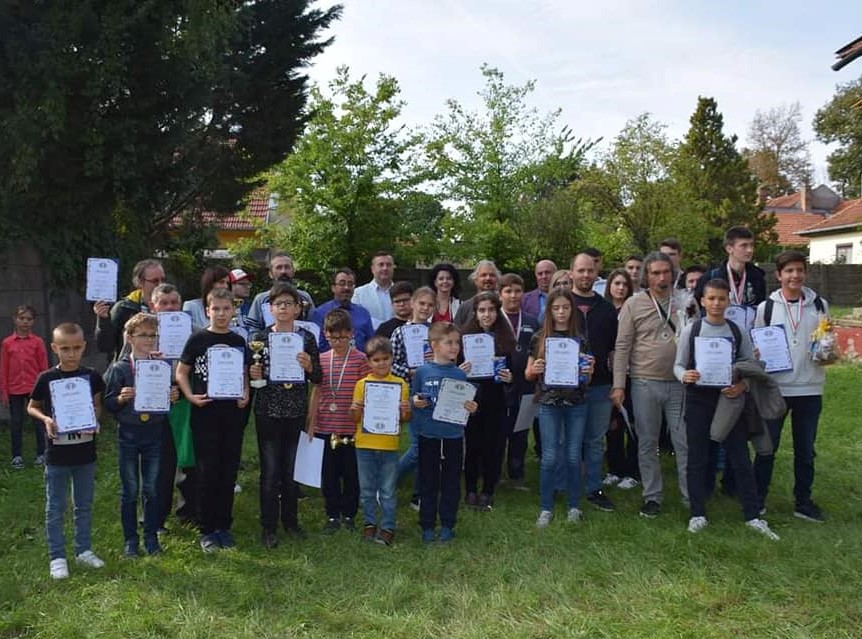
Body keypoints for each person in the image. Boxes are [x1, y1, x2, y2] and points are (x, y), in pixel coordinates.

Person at [675, 279, 779, 540]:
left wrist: (742, 386)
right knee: (697, 457)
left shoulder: (736, 330)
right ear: (702, 301)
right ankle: (697, 513)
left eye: (721, 299)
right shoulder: (692, 330)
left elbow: (751, 366)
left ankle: (753, 515)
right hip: (699, 398)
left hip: (729, 399)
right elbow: (678, 365)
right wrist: (684, 375)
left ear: (728, 301)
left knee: (740, 457)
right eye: (711, 298)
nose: (716, 303)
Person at [753, 250, 831, 523]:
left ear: (805, 273)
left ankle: (803, 502)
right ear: (779, 275)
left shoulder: (820, 305)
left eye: (799, 270)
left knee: (805, 450)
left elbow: (825, 340)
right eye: (788, 271)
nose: (794, 275)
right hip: (776, 388)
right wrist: (758, 352)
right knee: (767, 447)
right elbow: (757, 344)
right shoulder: (766, 308)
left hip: (810, 388)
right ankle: (757, 499)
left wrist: (827, 349)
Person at [611, 252, 688, 518]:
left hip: (679, 383)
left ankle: (691, 496)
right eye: (655, 273)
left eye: (666, 272)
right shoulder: (634, 304)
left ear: (673, 274)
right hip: (644, 382)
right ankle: (652, 496)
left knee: (683, 441)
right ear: (647, 276)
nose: (661, 277)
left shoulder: (685, 301)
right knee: (647, 442)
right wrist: (619, 385)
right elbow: (622, 346)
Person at [175, 288, 251, 552]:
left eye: (226, 308)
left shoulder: (238, 340)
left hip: (232, 413)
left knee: (228, 470)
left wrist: (245, 392)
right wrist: (190, 396)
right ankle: (206, 529)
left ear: (233, 310)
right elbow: (181, 372)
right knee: (207, 471)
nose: (221, 313)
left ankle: (223, 526)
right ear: (207, 310)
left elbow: (244, 372)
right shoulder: (198, 339)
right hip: (205, 413)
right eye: (215, 309)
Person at [28, 323, 106, 580]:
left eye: (76, 348)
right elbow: (32, 406)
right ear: (54, 348)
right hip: (57, 455)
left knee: (83, 505)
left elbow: (97, 405)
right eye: (65, 349)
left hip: (85, 453)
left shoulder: (92, 376)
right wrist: (46, 420)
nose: (71, 354)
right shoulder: (46, 378)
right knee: (55, 507)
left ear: (84, 346)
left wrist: (94, 419)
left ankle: (83, 550)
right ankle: (57, 557)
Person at [249, 282, 322, 548]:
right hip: (268, 411)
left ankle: (291, 522)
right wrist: (253, 374)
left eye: (288, 304)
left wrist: (309, 365)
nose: (283, 308)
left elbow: (318, 378)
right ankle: (268, 527)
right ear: (270, 309)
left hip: (295, 412)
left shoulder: (307, 338)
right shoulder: (259, 338)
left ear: (297, 309)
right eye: (278, 304)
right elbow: (251, 377)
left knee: (291, 470)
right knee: (270, 472)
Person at [103, 313, 179, 557]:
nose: (148, 339)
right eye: (143, 335)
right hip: (128, 434)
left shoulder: (162, 367)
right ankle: (130, 541)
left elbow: (167, 398)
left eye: (152, 335)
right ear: (130, 338)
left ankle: (151, 537)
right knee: (130, 490)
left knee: (152, 488)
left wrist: (173, 397)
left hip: (154, 433)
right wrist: (120, 398)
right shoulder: (120, 368)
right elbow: (108, 403)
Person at [525, 289, 594, 527]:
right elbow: (528, 373)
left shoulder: (581, 339)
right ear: (549, 311)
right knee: (549, 457)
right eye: (556, 308)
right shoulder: (539, 338)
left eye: (566, 307)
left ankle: (574, 506)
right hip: (549, 403)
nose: (561, 312)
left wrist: (588, 371)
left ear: (572, 310)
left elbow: (587, 377)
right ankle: (546, 508)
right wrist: (535, 369)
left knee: (574, 457)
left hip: (576, 404)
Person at [411, 321, 478, 543]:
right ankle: (427, 525)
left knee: (451, 482)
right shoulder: (422, 372)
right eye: (449, 342)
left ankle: (448, 524)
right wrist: (415, 401)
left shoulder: (460, 374)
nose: (455, 347)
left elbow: (466, 404)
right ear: (434, 345)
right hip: (428, 434)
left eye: (457, 342)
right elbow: (413, 396)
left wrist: (471, 407)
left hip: (453, 435)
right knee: (428, 480)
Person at [306, 309, 370, 534]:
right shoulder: (321, 359)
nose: (338, 342)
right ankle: (332, 514)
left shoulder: (361, 360)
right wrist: (311, 423)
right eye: (333, 337)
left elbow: (366, 391)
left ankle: (349, 514)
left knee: (351, 474)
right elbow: (316, 391)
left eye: (343, 337)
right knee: (329, 474)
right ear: (325, 334)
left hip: (351, 427)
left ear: (351, 334)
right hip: (325, 426)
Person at [350, 336, 411, 546]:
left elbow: (404, 419)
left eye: (385, 359)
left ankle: (387, 527)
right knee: (367, 489)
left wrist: (406, 411)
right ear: (368, 362)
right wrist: (355, 409)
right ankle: (369, 523)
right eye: (376, 360)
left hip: (388, 445)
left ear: (392, 358)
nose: (381, 363)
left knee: (387, 490)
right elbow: (354, 418)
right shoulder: (361, 385)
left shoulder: (401, 384)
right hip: (364, 444)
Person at [570, 253, 618, 512]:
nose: (586, 275)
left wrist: (617, 383)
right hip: (567, 386)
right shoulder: (562, 305)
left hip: (600, 384)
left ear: (596, 273)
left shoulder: (606, 308)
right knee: (569, 439)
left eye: (590, 270)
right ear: (571, 273)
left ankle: (593, 488)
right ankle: (568, 485)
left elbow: (613, 350)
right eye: (581, 270)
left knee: (595, 440)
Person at [460, 292, 515, 511]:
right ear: (475, 313)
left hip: (496, 399)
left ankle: (488, 490)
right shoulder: (464, 339)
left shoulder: (506, 338)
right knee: (473, 445)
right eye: (482, 310)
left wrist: (509, 378)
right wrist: (460, 371)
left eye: (491, 310)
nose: (486, 314)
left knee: (493, 446)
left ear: (497, 312)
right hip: (472, 399)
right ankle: (470, 489)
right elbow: (454, 371)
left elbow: (512, 372)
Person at [390, 286, 437, 510]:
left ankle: (419, 495)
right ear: (412, 304)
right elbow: (391, 364)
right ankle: (389, 482)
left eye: (430, 305)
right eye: (422, 303)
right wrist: (410, 372)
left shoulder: (436, 333)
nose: (425, 308)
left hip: (432, 392)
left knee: (428, 444)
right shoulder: (399, 333)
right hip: (409, 392)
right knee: (418, 446)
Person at [499, 273, 539, 489]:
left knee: (521, 432)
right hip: (499, 386)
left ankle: (516, 475)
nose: (513, 296)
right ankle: (494, 474)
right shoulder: (494, 319)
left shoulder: (532, 321)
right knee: (497, 432)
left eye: (517, 291)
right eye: (508, 291)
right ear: (500, 294)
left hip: (526, 386)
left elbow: (538, 349)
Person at [602, 270, 639, 490]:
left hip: (632, 373)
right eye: (616, 283)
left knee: (632, 422)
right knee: (612, 424)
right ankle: (615, 468)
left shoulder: (634, 309)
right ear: (609, 286)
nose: (621, 288)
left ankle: (633, 471)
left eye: (625, 284)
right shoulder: (605, 310)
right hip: (610, 374)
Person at [2, 304, 49, 469]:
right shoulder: (7, 343)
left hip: (33, 388)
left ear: (33, 321)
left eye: (29, 319)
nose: (25, 322)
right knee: (16, 422)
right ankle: (16, 456)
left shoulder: (37, 342)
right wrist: (4, 392)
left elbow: (43, 367)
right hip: (14, 388)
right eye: (22, 318)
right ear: (15, 320)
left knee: (38, 421)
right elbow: (4, 368)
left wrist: (45, 388)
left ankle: (42, 454)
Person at [95, 259, 165, 361]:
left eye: (163, 280)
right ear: (140, 282)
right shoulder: (123, 308)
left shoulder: (172, 307)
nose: (161, 285)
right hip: (129, 368)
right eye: (155, 281)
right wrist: (103, 320)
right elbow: (106, 347)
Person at [311, 268, 375, 353]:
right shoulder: (320, 313)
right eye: (342, 284)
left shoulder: (363, 313)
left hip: (361, 360)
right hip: (330, 360)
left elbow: (371, 343)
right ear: (333, 288)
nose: (346, 288)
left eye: (350, 284)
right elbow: (316, 345)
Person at [247, 252, 315, 330]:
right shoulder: (261, 299)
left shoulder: (304, 297)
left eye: (287, 267)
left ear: (293, 272)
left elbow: (314, 325)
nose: (283, 271)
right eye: (279, 267)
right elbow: (253, 329)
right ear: (270, 274)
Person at [351, 251, 396, 329]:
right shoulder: (358, 294)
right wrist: (385, 328)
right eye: (381, 265)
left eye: (389, 265)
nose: (385, 268)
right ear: (372, 269)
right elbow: (357, 319)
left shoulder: (402, 293)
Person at [182, 266, 231, 330]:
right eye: (221, 282)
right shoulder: (191, 306)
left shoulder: (231, 307)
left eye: (227, 283)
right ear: (209, 283)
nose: (226, 286)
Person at [453, 260, 500, 326]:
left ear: (497, 279)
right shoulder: (465, 307)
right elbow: (456, 330)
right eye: (483, 275)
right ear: (475, 280)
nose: (488, 278)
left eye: (492, 275)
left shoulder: (503, 305)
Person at [228, 268, 255, 336]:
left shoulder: (252, 306)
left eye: (248, 284)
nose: (247, 287)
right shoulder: (222, 307)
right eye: (242, 284)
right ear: (230, 286)